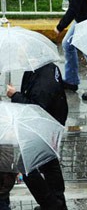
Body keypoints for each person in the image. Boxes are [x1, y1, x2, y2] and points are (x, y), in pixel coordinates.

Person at [6, 62, 68, 210]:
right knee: (49, 164)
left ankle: (52, 205)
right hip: (48, 127)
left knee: (27, 168)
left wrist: (15, 95)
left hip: (41, 129)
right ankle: (58, 200)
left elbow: (36, 109)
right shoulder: (46, 67)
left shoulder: (43, 81)